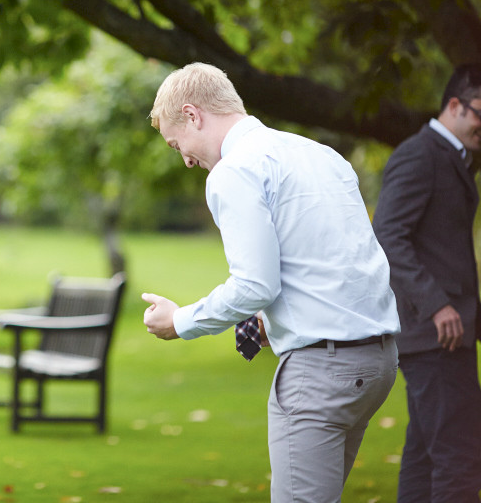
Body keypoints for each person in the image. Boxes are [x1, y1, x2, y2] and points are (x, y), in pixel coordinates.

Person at [141, 62, 400, 502]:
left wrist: (180, 320)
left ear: (193, 115)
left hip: (320, 373)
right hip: (377, 362)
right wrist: (267, 321)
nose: (184, 158)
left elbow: (255, 285)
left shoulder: (234, 170)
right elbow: (336, 261)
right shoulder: (319, 154)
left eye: (176, 142)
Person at [371, 63, 481, 502]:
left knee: (425, 455)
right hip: (434, 334)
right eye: (480, 114)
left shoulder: (452, 157)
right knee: (460, 456)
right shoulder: (419, 155)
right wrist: (437, 304)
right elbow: (387, 237)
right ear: (454, 105)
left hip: (445, 336)